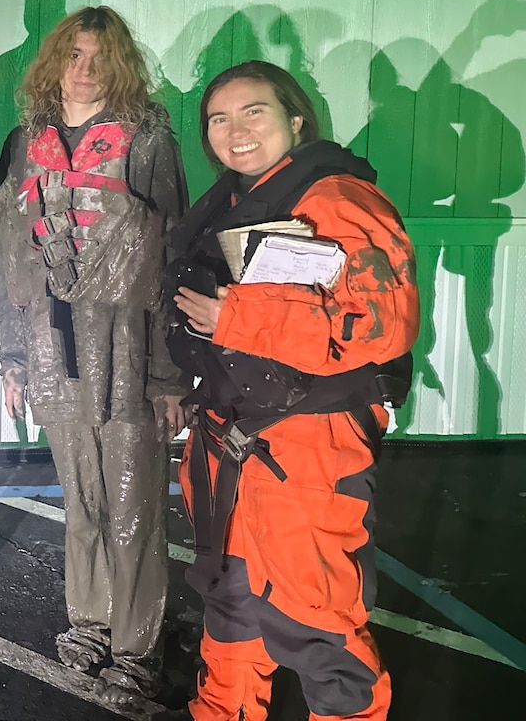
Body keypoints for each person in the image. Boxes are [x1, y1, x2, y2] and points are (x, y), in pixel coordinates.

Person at [162, 61, 418, 721]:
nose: (235, 130)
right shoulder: (233, 198)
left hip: (307, 447)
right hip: (231, 439)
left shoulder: (337, 198)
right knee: (234, 604)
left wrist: (237, 319)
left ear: (296, 119)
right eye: (219, 118)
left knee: (317, 619)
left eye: (254, 112)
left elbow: (382, 320)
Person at [0, 6, 188, 706]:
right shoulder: (26, 140)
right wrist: (12, 356)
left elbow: (173, 256)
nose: (84, 68)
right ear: (55, 60)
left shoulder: (148, 138)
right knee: (83, 503)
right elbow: (8, 248)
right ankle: (88, 625)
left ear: (120, 65)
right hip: (51, 345)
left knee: (134, 505)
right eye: (73, 54)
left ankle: (137, 649)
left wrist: (170, 375)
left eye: (99, 56)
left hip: (129, 346)